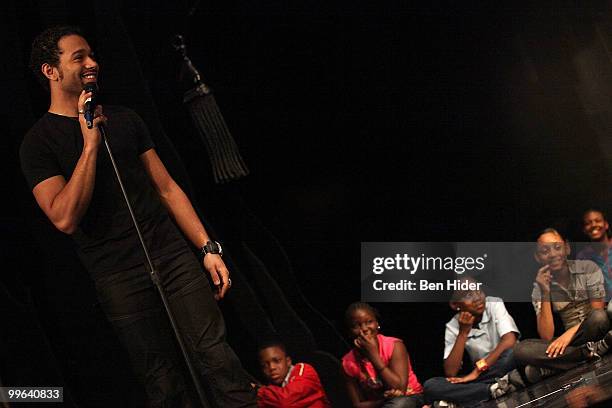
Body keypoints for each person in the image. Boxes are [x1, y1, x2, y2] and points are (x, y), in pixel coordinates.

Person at [20, 26, 256, 407]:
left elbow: (167, 188)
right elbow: (64, 218)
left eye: (92, 54)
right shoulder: (38, 144)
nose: (92, 63)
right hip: (117, 275)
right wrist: (90, 145)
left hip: (172, 257)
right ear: (51, 71)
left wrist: (207, 247)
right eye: (78, 57)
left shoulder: (126, 119)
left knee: (218, 359)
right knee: (163, 383)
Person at [513, 228, 611, 383]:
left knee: (600, 317)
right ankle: (589, 352)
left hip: (593, 329)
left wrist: (568, 335)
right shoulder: (538, 287)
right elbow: (546, 336)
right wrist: (545, 292)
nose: (552, 254)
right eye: (545, 251)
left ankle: (553, 366)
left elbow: (598, 311)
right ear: (538, 257)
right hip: (570, 344)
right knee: (520, 350)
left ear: (567, 248)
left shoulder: (588, 268)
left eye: (557, 247)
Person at [423, 278, 521, 407]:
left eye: (478, 290)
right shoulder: (452, 326)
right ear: (455, 304)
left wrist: (476, 372)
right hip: (481, 376)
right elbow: (451, 372)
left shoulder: (494, 303)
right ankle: (492, 389)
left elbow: (510, 341)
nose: (477, 298)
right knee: (431, 385)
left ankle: (462, 397)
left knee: (512, 353)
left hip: (500, 365)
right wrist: (463, 333)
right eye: (468, 295)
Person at [342, 302, 424, 408]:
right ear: (349, 332)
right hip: (380, 404)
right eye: (357, 325)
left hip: (410, 397)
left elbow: (400, 389)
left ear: (377, 324)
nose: (364, 329)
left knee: (399, 404)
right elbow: (358, 404)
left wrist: (373, 356)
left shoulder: (394, 346)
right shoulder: (348, 362)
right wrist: (383, 401)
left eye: (369, 322)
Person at [254, 341, 331, 408]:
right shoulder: (271, 389)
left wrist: (260, 391)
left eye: (276, 361)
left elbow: (285, 401)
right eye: (265, 365)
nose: (272, 367)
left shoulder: (304, 370)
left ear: (288, 361)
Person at [577, 208, 612, 304]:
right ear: (584, 230)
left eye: (597, 221)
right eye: (588, 223)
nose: (593, 225)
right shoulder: (583, 257)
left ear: (606, 225)